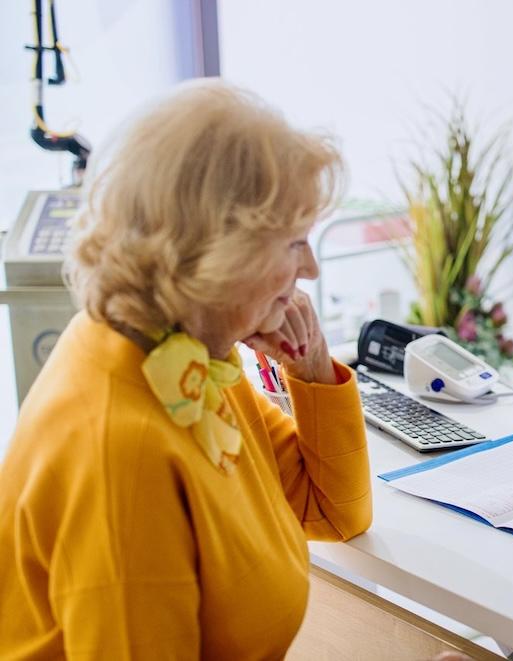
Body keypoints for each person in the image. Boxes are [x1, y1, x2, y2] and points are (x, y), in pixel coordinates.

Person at [0, 81, 372, 658]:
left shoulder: (179, 354)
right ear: (217, 253)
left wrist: (313, 365)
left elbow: (333, 511)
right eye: (294, 243)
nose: (313, 269)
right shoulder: (122, 451)